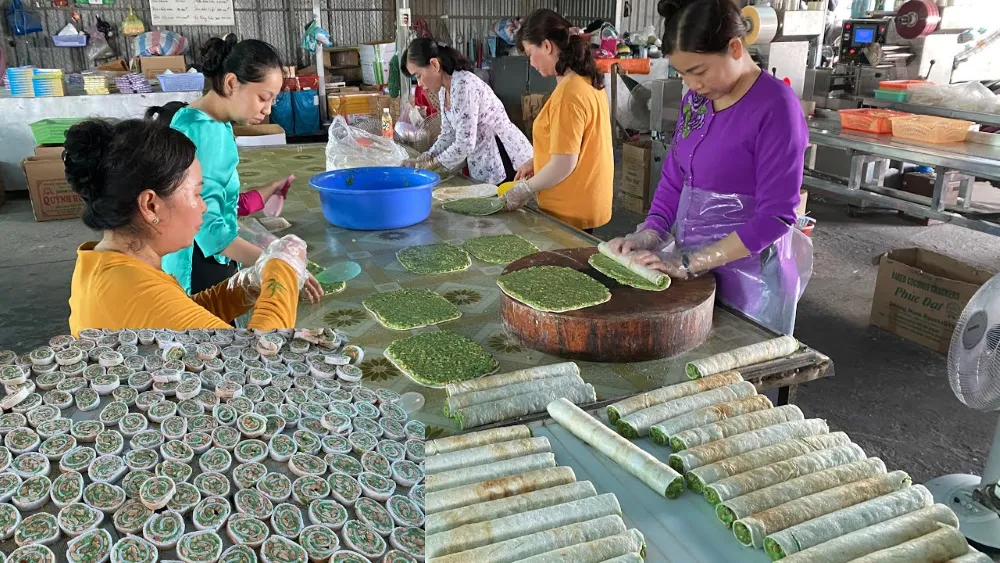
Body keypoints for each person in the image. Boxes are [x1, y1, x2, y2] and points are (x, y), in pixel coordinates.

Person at [608, 0, 813, 335]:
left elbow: (776, 216)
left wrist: (695, 262)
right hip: (692, 271)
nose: (691, 84)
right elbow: (676, 176)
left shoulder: (776, 108)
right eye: (683, 74)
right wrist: (652, 231)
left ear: (734, 48)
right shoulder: (698, 101)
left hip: (751, 278)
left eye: (699, 71)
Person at [65, 119, 309, 334]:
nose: (203, 207)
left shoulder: (105, 265)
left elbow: (184, 319)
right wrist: (283, 268)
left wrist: (247, 284)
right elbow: (258, 362)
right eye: (197, 194)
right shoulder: (137, 292)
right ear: (151, 206)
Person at [146, 35, 321, 301]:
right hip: (199, 263)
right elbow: (209, 229)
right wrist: (278, 265)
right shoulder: (205, 132)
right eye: (263, 98)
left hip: (195, 253)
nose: (268, 110)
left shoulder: (200, 118)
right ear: (231, 83)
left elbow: (217, 195)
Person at [505, 9, 614, 234]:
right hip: (586, 199)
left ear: (546, 46)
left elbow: (564, 164)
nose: (531, 63)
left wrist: (524, 190)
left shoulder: (569, 92)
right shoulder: (586, 80)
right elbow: (574, 143)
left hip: (569, 208)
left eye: (529, 53)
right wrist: (537, 160)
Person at [401, 38, 532, 185]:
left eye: (419, 76)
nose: (419, 84)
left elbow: (464, 144)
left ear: (435, 65)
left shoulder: (464, 85)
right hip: (483, 160)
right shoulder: (444, 91)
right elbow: (448, 135)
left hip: (504, 157)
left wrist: (433, 163)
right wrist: (425, 157)